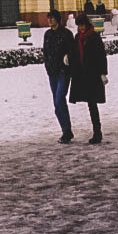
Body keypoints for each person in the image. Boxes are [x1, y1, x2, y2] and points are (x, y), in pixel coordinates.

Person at [68, 12, 108, 144]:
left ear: (87, 24)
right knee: (91, 104)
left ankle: (97, 132)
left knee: (92, 104)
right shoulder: (77, 37)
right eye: (79, 25)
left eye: (83, 25)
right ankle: (97, 132)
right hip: (82, 75)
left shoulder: (94, 37)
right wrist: (68, 59)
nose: (81, 28)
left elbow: (101, 56)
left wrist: (103, 73)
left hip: (93, 75)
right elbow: (74, 53)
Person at [42, 9, 75, 143]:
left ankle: (67, 131)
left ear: (57, 19)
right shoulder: (47, 34)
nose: (49, 20)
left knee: (59, 99)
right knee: (58, 103)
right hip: (52, 73)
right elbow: (46, 52)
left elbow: (73, 50)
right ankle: (66, 130)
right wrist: (47, 66)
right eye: (48, 17)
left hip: (63, 72)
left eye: (52, 18)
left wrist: (68, 57)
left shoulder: (66, 34)